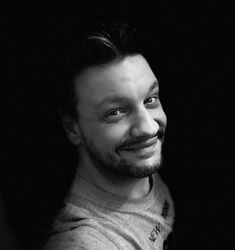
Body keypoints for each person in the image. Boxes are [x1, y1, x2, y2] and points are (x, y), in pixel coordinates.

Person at [42, 21, 175, 250]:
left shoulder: (141, 168)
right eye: (115, 112)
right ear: (73, 128)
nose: (150, 128)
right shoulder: (83, 242)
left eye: (150, 99)